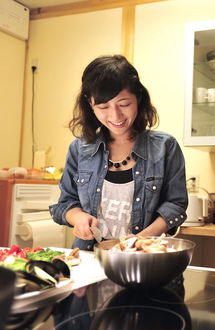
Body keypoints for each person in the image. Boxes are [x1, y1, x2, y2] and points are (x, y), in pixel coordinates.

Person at [49, 55, 188, 251]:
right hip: (90, 257)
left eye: (124, 104)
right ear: (90, 104)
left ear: (138, 98)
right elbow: (65, 203)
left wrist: (139, 240)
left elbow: (175, 205)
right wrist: (78, 217)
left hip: (143, 257)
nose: (115, 116)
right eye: (103, 107)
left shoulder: (165, 147)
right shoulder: (79, 149)